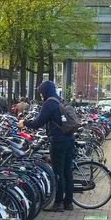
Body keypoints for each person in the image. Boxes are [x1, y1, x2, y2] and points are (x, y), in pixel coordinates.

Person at [19, 80, 74, 212]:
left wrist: (24, 123)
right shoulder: (60, 100)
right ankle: (68, 203)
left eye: (41, 92)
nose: (41, 95)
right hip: (69, 138)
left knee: (58, 172)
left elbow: (38, 122)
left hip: (58, 141)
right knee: (67, 171)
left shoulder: (49, 103)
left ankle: (58, 203)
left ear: (45, 91)